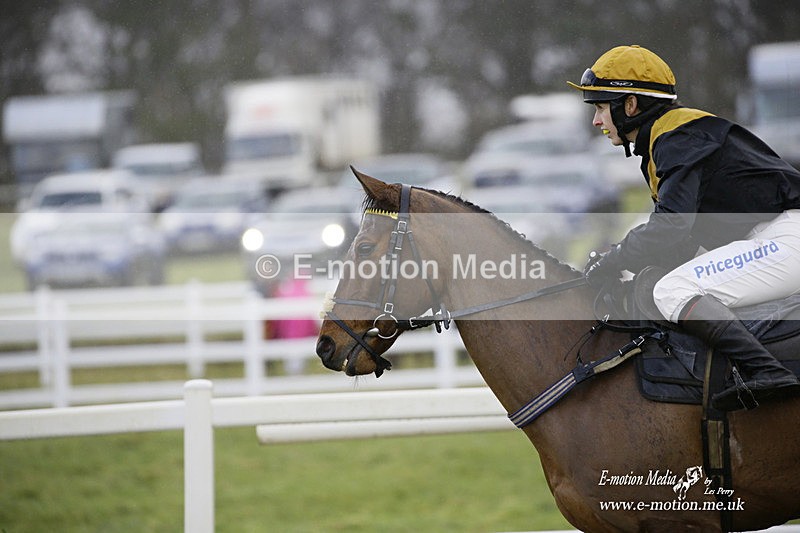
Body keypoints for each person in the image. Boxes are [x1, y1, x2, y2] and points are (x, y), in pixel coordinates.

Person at [567, 44, 800, 411]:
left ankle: (766, 372)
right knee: (665, 284)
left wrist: (614, 259)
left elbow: (670, 228)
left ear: (629, 106)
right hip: (776, 235)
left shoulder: (677, 137)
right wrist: (625, 267)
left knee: (673, 290)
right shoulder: (668, 139)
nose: (596, 121)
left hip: (787, 237)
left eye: (600, 107)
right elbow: (679, 240)